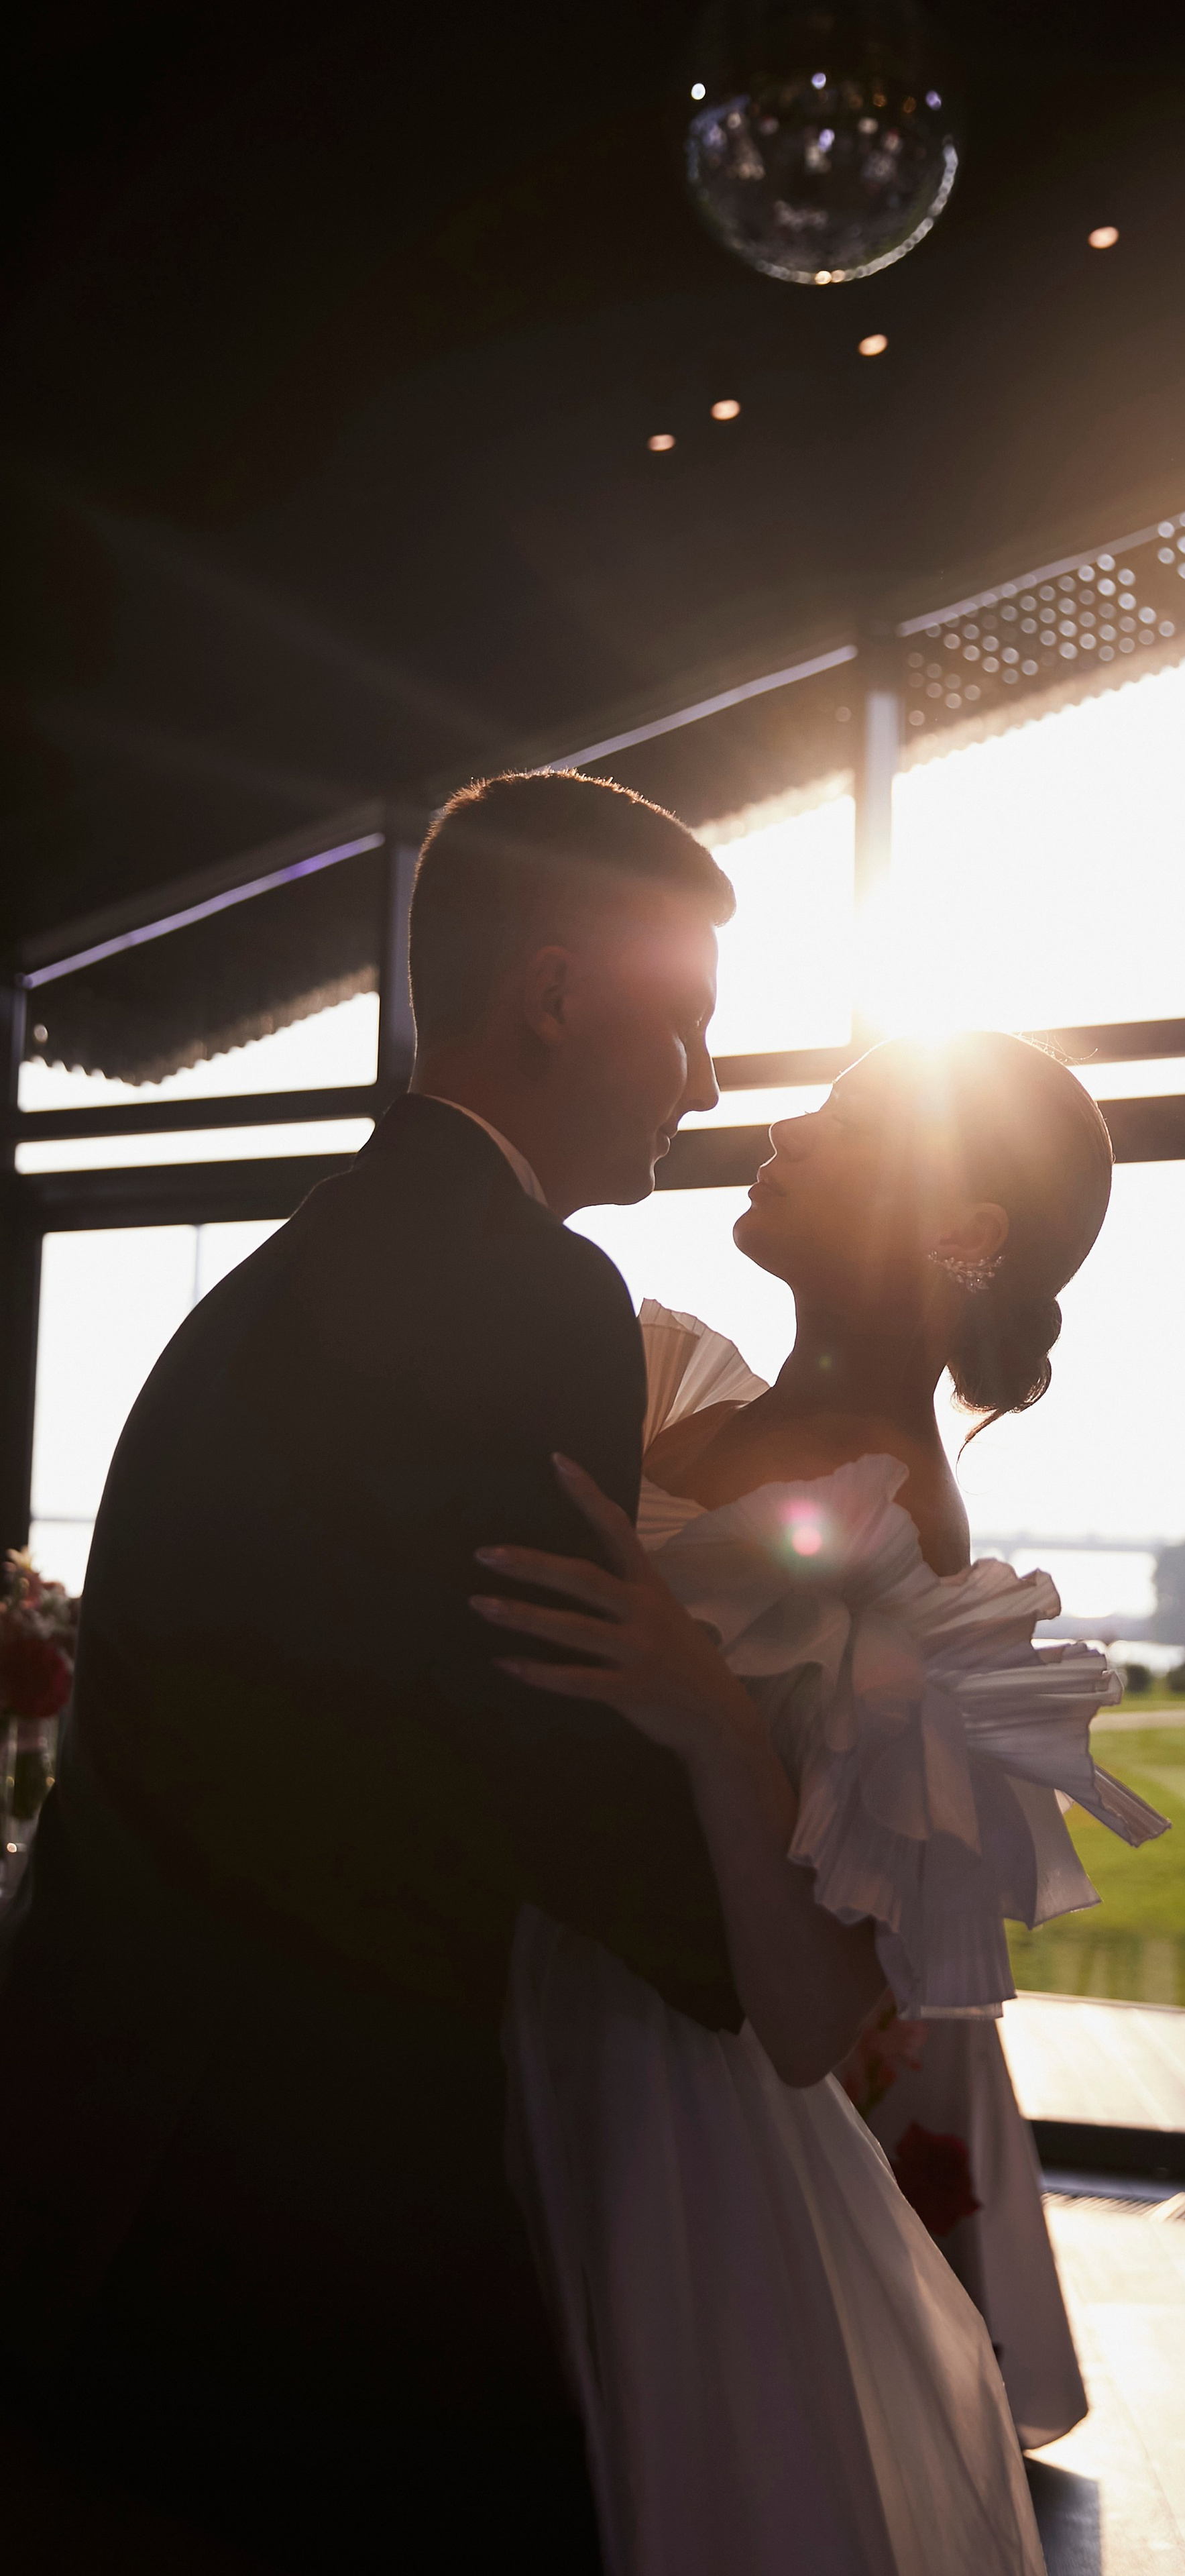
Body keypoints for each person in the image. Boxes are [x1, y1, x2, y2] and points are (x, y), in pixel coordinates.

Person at [0, 769, 744, 2569]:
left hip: (92, 2180)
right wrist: (777, 1946)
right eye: (692, 1024)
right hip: (308, 2227)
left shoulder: (261, 1295)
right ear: (558, 995)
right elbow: (547, 1741)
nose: (709, 1082)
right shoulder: (534, 1291)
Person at [475, 1032, 1170, 2576]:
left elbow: (809, 2017)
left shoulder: (897, 1520)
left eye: (848, 1124)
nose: (784, 1129)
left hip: (651, 2121)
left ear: (964, 1230)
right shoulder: (682, 1400)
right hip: (514, 2013)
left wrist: (707, 1710)